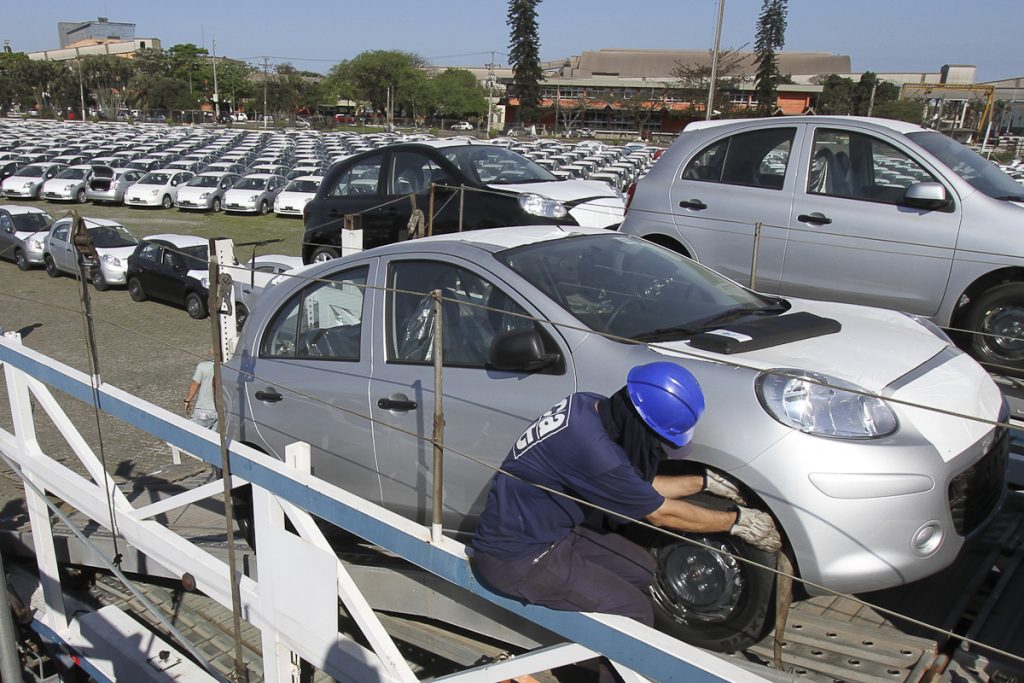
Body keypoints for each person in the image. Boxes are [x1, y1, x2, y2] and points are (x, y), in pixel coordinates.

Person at [470, 362, 780, 680]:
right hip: (518, 559)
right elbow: (660, 512)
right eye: (658, 442)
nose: (658, 451)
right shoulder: (596, 454)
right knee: (633, 612)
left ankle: (580, 660)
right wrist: (738, 522)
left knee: (641, 569)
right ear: (639, 426)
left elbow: (634, 487)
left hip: (549, 533)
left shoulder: (586, 405)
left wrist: (704, 481)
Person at [184, 357, 217, 430]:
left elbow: (195, 384)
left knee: (189, 432)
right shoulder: (229, 368)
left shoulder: (203, 366)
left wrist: (187, 400)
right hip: (220, 413)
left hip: (203, 409)